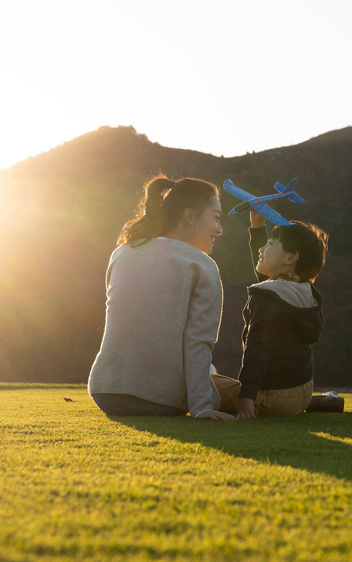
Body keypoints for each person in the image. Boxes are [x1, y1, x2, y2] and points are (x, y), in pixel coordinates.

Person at [87, 175, 240, 420]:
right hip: (162, 402)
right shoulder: (201, 263)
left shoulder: (122, 252)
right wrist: (202, 407)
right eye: (216, 218)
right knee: (239, 393)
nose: (220, 230)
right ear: (190, 216)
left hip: (106, 394)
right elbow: (197, 342)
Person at [236, 210, 328, 418]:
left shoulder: (269, 296)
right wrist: (257, 228)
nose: (261, 249)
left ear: (291, 257)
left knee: (206, 383)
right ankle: (328, 401)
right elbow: (266, 277)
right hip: (302, 392)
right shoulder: (302, 291)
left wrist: (246, 398)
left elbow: (258, 347)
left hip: (273, 397)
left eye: (269, 245)